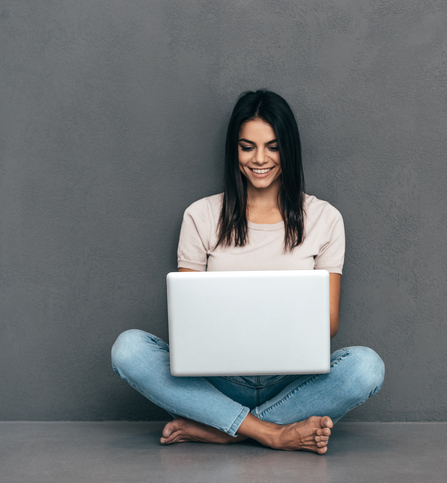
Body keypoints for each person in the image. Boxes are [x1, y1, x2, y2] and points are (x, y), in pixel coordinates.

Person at [111, 89, 385, 454]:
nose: (260, 159)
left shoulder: (325, 219)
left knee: (367, 367)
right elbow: (188, 321)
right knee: (128, 349)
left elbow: (329, 323)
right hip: (218, 378)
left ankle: (227, 428)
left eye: (273, 147)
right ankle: (271, 432)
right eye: (247, 147)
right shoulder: (201, 216)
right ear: (234, 150)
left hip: (291, 379)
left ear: (289, 149)